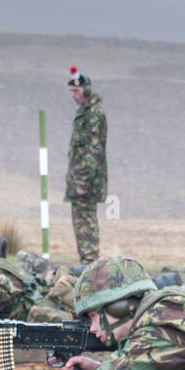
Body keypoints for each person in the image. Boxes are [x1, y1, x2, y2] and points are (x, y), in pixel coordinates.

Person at [66, 67, 107, 265]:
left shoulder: (93, 115)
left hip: (86, 183)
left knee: (86, 223)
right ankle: (87, 263)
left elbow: (93, 150)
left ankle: (91, 264)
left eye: (77, 91)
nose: (74, 96)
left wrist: (82, 181)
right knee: (79, 222)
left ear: (86, 91)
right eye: (72, 92)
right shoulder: (83, 114)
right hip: (78, 180)